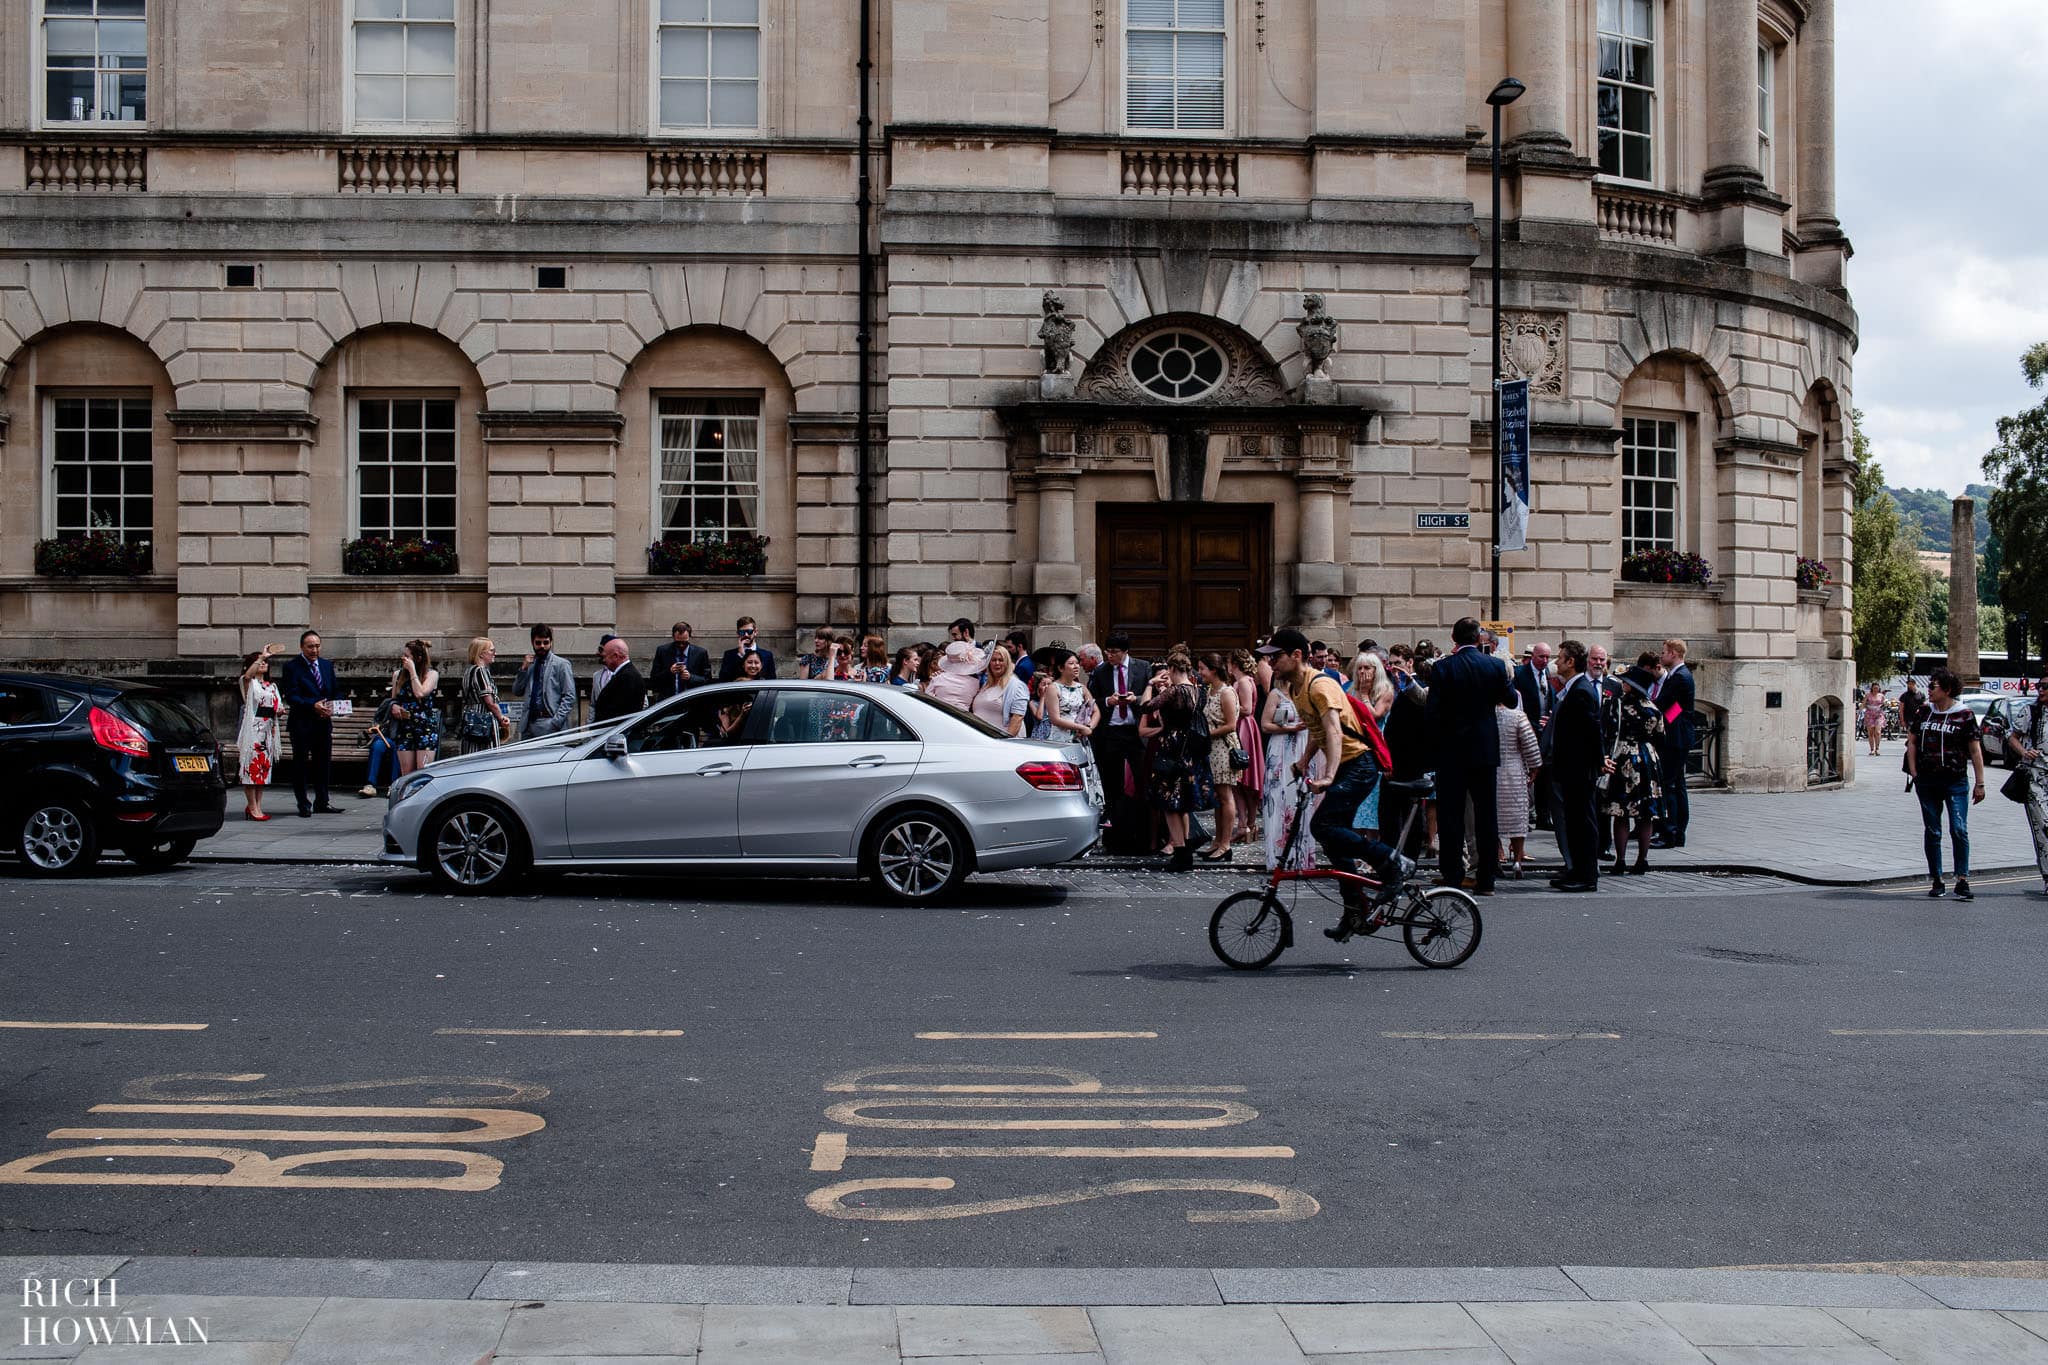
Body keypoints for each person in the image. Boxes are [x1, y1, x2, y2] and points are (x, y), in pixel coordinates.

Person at [1260, 629, 1411, 938]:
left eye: (1277, 657)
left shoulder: (1321, 685)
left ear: (1296, 655)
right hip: (1347, 766)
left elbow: (1332, 729)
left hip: (1359, 765)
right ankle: (1356, 909)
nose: (1271, 663)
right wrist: (1302, 762)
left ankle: (1393, 862)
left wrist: (1328, 774)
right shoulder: (1297, 688)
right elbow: (1317, 731)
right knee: (1334, 840)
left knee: (1323, 826)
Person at [1427, 616, 1512, 896]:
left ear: (1454, 640)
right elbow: (1511, 699)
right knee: (1486, 815)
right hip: (1484, 750)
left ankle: (1453, 875)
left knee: (1451, 816)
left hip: (1451, 752)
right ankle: (1486, 878)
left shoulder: (1442, 668)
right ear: (1479, 639)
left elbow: (1433, 713)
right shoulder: (1495, 666)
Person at [1907, 668, 1987, 900]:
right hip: (1927, 781)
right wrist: (1914, 772)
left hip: (1955, 781)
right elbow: (1911, 742)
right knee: (1933, 831)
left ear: (1947, 689)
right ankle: (1937, 879)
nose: (1929, 690)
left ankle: (1962, 879)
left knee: (1959, 829)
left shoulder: (1964, 715)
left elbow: (1975, 749)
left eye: (1933, 686)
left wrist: (1980, 783)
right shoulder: (1924, 712)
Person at [1138, 647, 1212, 871]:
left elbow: (1145, 706)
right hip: (1189, 750)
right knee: (1183, 802)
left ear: (1171, 669)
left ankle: (1180, 852)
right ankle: (1185, 849)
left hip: (1172, 746)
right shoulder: (1199, 691)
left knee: (1169, 802)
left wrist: (1150, 684)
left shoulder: (1174, 692)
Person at [1547, 639, 1609, 893]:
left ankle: (1587, 874)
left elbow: (1592, 730)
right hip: (1571, 768)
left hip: (1580, 769)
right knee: (1574, 821)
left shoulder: (1581, 690)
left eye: (1560, 658)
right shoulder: (1573, 688)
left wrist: (1598, 762)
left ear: (1571, 662)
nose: (1556, 662)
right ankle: (1576, 870)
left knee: (1583, 822)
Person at [1090, 634, 1156, 856]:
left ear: (1125, 652)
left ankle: (1144, 837)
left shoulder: (1143, 668)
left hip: (1136, 732)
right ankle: (1114, 837)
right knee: (1113, 786)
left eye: (1114, 652)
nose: (1110, 655)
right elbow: (1092, 701)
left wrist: (1135, 699)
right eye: (1107, 651)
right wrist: (1107, 701)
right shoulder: (1101, 672)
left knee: (1142, 782)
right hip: (1112, 732)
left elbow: (1153, 696)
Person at [1603, 652, 1668, 877]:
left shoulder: (1616, 705)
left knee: (1621, 812)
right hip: (1648, 758)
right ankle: (1642, 859)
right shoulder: (1653, 709)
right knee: (1646, 814)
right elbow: (1661, 737)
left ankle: (1620, 860)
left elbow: (1607, 731)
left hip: (1623, 757)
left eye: (1626, 683)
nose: (1623, 685)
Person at [1259, 655, 1317, 872]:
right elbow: (1265, 725)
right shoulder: (1276, 694)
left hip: (1303, 747)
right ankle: (1278, 858)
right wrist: (1289, 728)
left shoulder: (1306, 694)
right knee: (1279, 797)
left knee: (1301, 799)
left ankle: (1302, 858)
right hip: (1282, 749)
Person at [280, 628, 342, 818]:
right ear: (302, 647)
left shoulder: (326, 665)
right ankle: (303, 803)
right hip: (302, 723)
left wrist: (335, 706)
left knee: (323, 763)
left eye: (317, 646)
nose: (314, 650)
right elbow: (291, 696)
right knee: (301, 764)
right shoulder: (292, 667)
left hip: (323, 722)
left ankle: (322, 801)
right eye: (310, 647)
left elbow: (335, 691)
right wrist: (312, 705)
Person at [1344, 651, 1396, 845]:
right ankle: (1357, 847)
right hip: (1354, 748)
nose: (1362, 672)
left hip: (1375, 749)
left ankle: (1373, 847)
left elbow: (1374, 717)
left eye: (1367, 668)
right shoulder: (1351, 689)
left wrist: (1365, 695)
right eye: (1360, 668)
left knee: (1372, 804)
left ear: (1376, 670)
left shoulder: (1385, 691)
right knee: (1356, 803)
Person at [1650, 638, 1697, 849]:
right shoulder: (1680, 676)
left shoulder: (1680, 677)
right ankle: (1677, 831)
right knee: (1677, 784)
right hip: (1679, 735)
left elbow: (1664, 703)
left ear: (1674, 654)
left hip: (1676, 738)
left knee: (1670, 785)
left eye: (1664, 652)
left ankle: (1670, 832)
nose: (1661, 656)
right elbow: (1677, 708)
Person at [2005, 668, 2048, 895]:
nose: (2040, 690)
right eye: (2038, 686)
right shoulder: (2031, 711)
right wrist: (2024, 751)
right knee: (2044, 826)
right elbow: (2012, 736)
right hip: (2036, 778)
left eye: (2045, 687)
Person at [1196, 653, 1243, 861]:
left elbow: (1231, 725)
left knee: (1225, 796)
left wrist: (1205, 733)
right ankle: (1217, 841)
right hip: (1211, 750)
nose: (1200, 673)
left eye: (1202, 669)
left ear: (1213, 670)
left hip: (1223, 749)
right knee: (1217, 798)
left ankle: (1226, 844)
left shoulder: (1226, 692)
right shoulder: (1209, 690)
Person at [1494, 694, 1542, 878]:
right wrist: (1534, 766)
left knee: (1493, 815)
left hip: (1492, 770)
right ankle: (1517, 859)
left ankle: (1497, 854)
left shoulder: (1485, 715)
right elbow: (1530, 745)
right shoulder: (1517, 716)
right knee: (1518, 817)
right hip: (1514, 770)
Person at [236, 645, 282, 821]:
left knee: (262, 769)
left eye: (266, 662)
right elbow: (248, 675)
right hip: (253, 728)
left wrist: (279, 710)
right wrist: (262, 656)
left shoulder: (271, 686)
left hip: (268, 728)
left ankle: (257, 805)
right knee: (251, 767)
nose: (264, 664)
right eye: (260, 662)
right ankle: (252, 807)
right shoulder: (249, 683)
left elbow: (278, 705)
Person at [1227, 649, 1265, 846]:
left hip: (1243, 728)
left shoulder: (1242, 681)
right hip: (1248, 727)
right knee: (1245, 782)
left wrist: (1226, 704)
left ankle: (1244, 824)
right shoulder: (1248, 680)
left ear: (1234, 663)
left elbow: (1247, 708)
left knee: (1240, 781)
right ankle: (1248, 823)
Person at [390, 638, 441, 776]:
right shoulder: (398, 675)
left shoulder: (432, 675)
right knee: (406, 773)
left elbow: (420, 693)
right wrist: (394, 706)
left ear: (418, 658)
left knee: (422, 772)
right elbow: (394, 698)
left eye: (407, 656)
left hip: (425, 727)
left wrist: (412, 671)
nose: (404, 659)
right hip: (405, 726)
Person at [516, 623, 577, 739]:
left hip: (550, 722)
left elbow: (570, 696)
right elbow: (517, 691)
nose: (542, 646)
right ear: (532, 643)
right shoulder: (529, 664)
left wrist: (556, 721)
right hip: (529, 724)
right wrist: (523, 669)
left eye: (546, 642)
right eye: (538, 643)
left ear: (551, 642)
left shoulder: (561, 664)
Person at [456, 637, 511, 755]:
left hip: (470, 720)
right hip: (483, 723)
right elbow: (490, 702)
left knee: (470, 756)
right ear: (481, 654)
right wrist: (501, 718)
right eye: (491, 650)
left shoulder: (468, 671)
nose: (494, 653)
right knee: (485, 759)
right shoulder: (480, 671)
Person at [1033, 651, 1097, 744]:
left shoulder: (1081, 688)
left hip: (1080, 736)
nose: (1076, 666)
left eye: (1077, 663)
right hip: (1061, 737)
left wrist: (1090, 727)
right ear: (1060, 668)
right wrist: (1081, 727)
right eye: (1071, 663)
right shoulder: (1053, 688)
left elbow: (1096, 711)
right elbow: (1055, 719)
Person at [972, 643, 1033, 736]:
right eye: (993, 660)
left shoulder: (1016, 685)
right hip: (983, 739)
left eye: (1001, 660)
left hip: (1002, 742)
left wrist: (1004, 743)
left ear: (1007, 663)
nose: (997, 663)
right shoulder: (986, 684)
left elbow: (1017, 718)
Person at [651, 622, 711, 700]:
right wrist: (669, 671)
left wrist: (691, 677)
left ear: (690, 637)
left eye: (684, 642)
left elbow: (707, 680)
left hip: (692, 701)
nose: (681, 645)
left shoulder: (700, 653)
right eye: (678, 642)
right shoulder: (663, 651)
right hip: (668, 701)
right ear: (673, 637)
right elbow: (654, 679)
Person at [591, 637, 646, 723]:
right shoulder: (624, 674)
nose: (604, 660)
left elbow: (620, 713)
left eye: (605, 656)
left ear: (616, 656)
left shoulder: (628, 677)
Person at [928, 640, 985, 712]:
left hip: (939, 713)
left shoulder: (938, 678)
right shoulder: (975, 683)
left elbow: (928, 697)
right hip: (962, 718)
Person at [718, 616, 777, 681]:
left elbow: (772, 680)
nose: (746, 635)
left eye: (749, 631)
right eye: (742, 632)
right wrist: (740, 656)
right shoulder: (729, 655)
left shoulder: (767, 655)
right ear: (738, 633)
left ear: (755, 632)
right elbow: (723, 680)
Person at [1862, 683, 1887, 757]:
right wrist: (1860, 711)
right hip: (1869, 714)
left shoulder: (1881, 696)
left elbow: (1884, 703)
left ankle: (1877, 748)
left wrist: (1884, 705)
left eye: (1877, 688)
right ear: (1872, 688)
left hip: (1878, 714)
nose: (1876, 689)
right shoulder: (1868, 695)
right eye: (1874, 688)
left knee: (1878, 732)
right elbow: (1863, 704)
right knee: (1870, 733)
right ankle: (1872, 749)